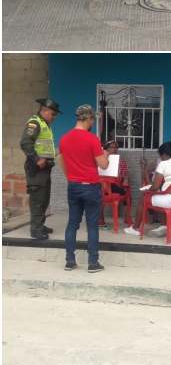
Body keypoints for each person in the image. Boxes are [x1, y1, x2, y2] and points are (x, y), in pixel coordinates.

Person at [59, 105, 109, 272]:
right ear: (88, 119)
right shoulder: (92, 139)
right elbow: (103, 165)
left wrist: (72, 179)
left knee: (72, 223)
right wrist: (106, 155)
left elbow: (62, 163)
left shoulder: (64, 139)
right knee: (92, 225)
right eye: (92, 119)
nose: (93, 122)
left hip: (73, 186)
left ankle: (70, 261)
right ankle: (93, 263)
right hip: (91, 187)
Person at [124, 141, 171, 237]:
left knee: (144, 198)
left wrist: (147, 189)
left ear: (164, 154)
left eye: (161, 156)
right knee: (159, 195)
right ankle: (164, 225)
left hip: (169, 200)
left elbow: (155, 186)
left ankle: (135, 228)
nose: (160, 158)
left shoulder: (163, 164)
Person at [22, 98, 59, 240]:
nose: (54, 117)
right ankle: (35, 230)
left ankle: (40, 224)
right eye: (53, 114)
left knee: (44, 198)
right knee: (37, 199)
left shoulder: (44, 124)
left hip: (45, 168)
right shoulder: (35, 123)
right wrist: (37, 159)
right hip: (37, 168)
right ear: (44, 110)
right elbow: (25, 143)